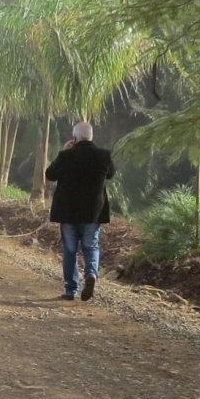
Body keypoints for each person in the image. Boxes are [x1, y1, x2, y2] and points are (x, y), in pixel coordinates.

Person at [45, 121, 115, 301]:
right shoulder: (103, 156)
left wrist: (65, 151)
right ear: (92, 137)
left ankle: (71, 290)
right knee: (91, 246)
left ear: (74, 138)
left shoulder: (66, 155)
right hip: (92, 213)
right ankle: (91, 273)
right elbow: (110, 174)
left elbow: (50, 174)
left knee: (70, 251)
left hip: (68, 212)